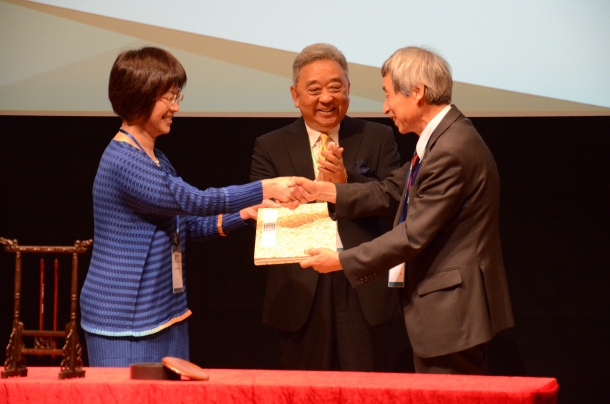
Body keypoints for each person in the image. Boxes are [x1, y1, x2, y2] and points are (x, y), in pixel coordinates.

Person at [288, 46, 514, 374]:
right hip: (448, 312)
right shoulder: (444, 139)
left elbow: (413, 234)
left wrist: (340, 260)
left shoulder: (450, 150)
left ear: (418, 92)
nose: (385, 107)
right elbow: (391, 190)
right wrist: (325, 189)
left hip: (453, 313)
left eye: (389, 95)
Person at [80, 46, 295, 367]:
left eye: (176, 96)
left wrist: (245, 214)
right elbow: (195, 201)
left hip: (165, 314)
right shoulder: (124, 160)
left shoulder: (156, 158)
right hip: (125, 321)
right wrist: (266, 187)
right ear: (140, 96)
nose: (176, 107)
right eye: (168, 98)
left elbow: (186, 224)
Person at [250, 43, 402, 371]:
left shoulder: (378, 137)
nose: (326, 98)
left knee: (366, 391)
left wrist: (344, 186)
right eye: (314, 89)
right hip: (300, 287)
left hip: (360, 282)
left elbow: (396, 206)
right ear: (295, 95)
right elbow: (262, 217)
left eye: (335, 87)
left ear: (348, 89)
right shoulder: (271, 146)